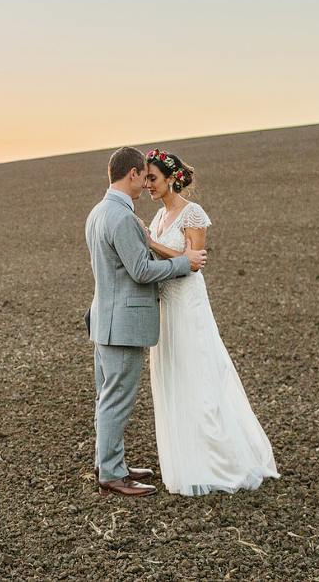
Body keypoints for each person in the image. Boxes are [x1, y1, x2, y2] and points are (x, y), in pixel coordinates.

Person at [142, 149, 278, 496]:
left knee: (199, 375)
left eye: (153, 178)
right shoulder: (158, 217)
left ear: (171, 178)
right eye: (145, 180)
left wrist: (152, 244)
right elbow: (176, 257)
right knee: (173, 377)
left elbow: (195, 263)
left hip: (188, 306)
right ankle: (186, 460)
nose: (148, 186)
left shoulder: (193, 213)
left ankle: (219, 461)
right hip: (166, 308)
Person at [85, 146, 207, 496]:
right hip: (122, 325)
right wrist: (184, 263)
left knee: (107, 397)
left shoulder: (98, 211)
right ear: (134, 174)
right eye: (144, 176)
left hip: (105, 319)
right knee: (116, 400)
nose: (146, 184)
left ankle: (111, 462)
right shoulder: (122, 217)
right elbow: (139, 270)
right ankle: (111, 474)